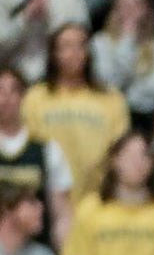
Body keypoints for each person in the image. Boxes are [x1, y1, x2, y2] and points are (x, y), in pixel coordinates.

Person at [23, 22, 129, 200]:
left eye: (81, 45)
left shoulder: (111, 99)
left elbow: (120, 153)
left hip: (97, 201)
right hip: (46, 199)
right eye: (66, 46)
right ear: (54, 54)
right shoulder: (35, 98)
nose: (75, 52)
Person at [0, 65, 71, 249]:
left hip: (35, 252)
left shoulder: (47, 149)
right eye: (0, 91)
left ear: (23, 97)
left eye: (12, 91)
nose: (5, 99)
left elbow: (61, 213)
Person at [90, 0, 154, 122]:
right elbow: (105, 81)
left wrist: (128, 93)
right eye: (124, 4)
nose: (130, 10)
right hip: (107, 113)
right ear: (115, 9)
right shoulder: (100, 42)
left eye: (136, 4)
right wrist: (127, 39)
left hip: (148, 115)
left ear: (147, 9)